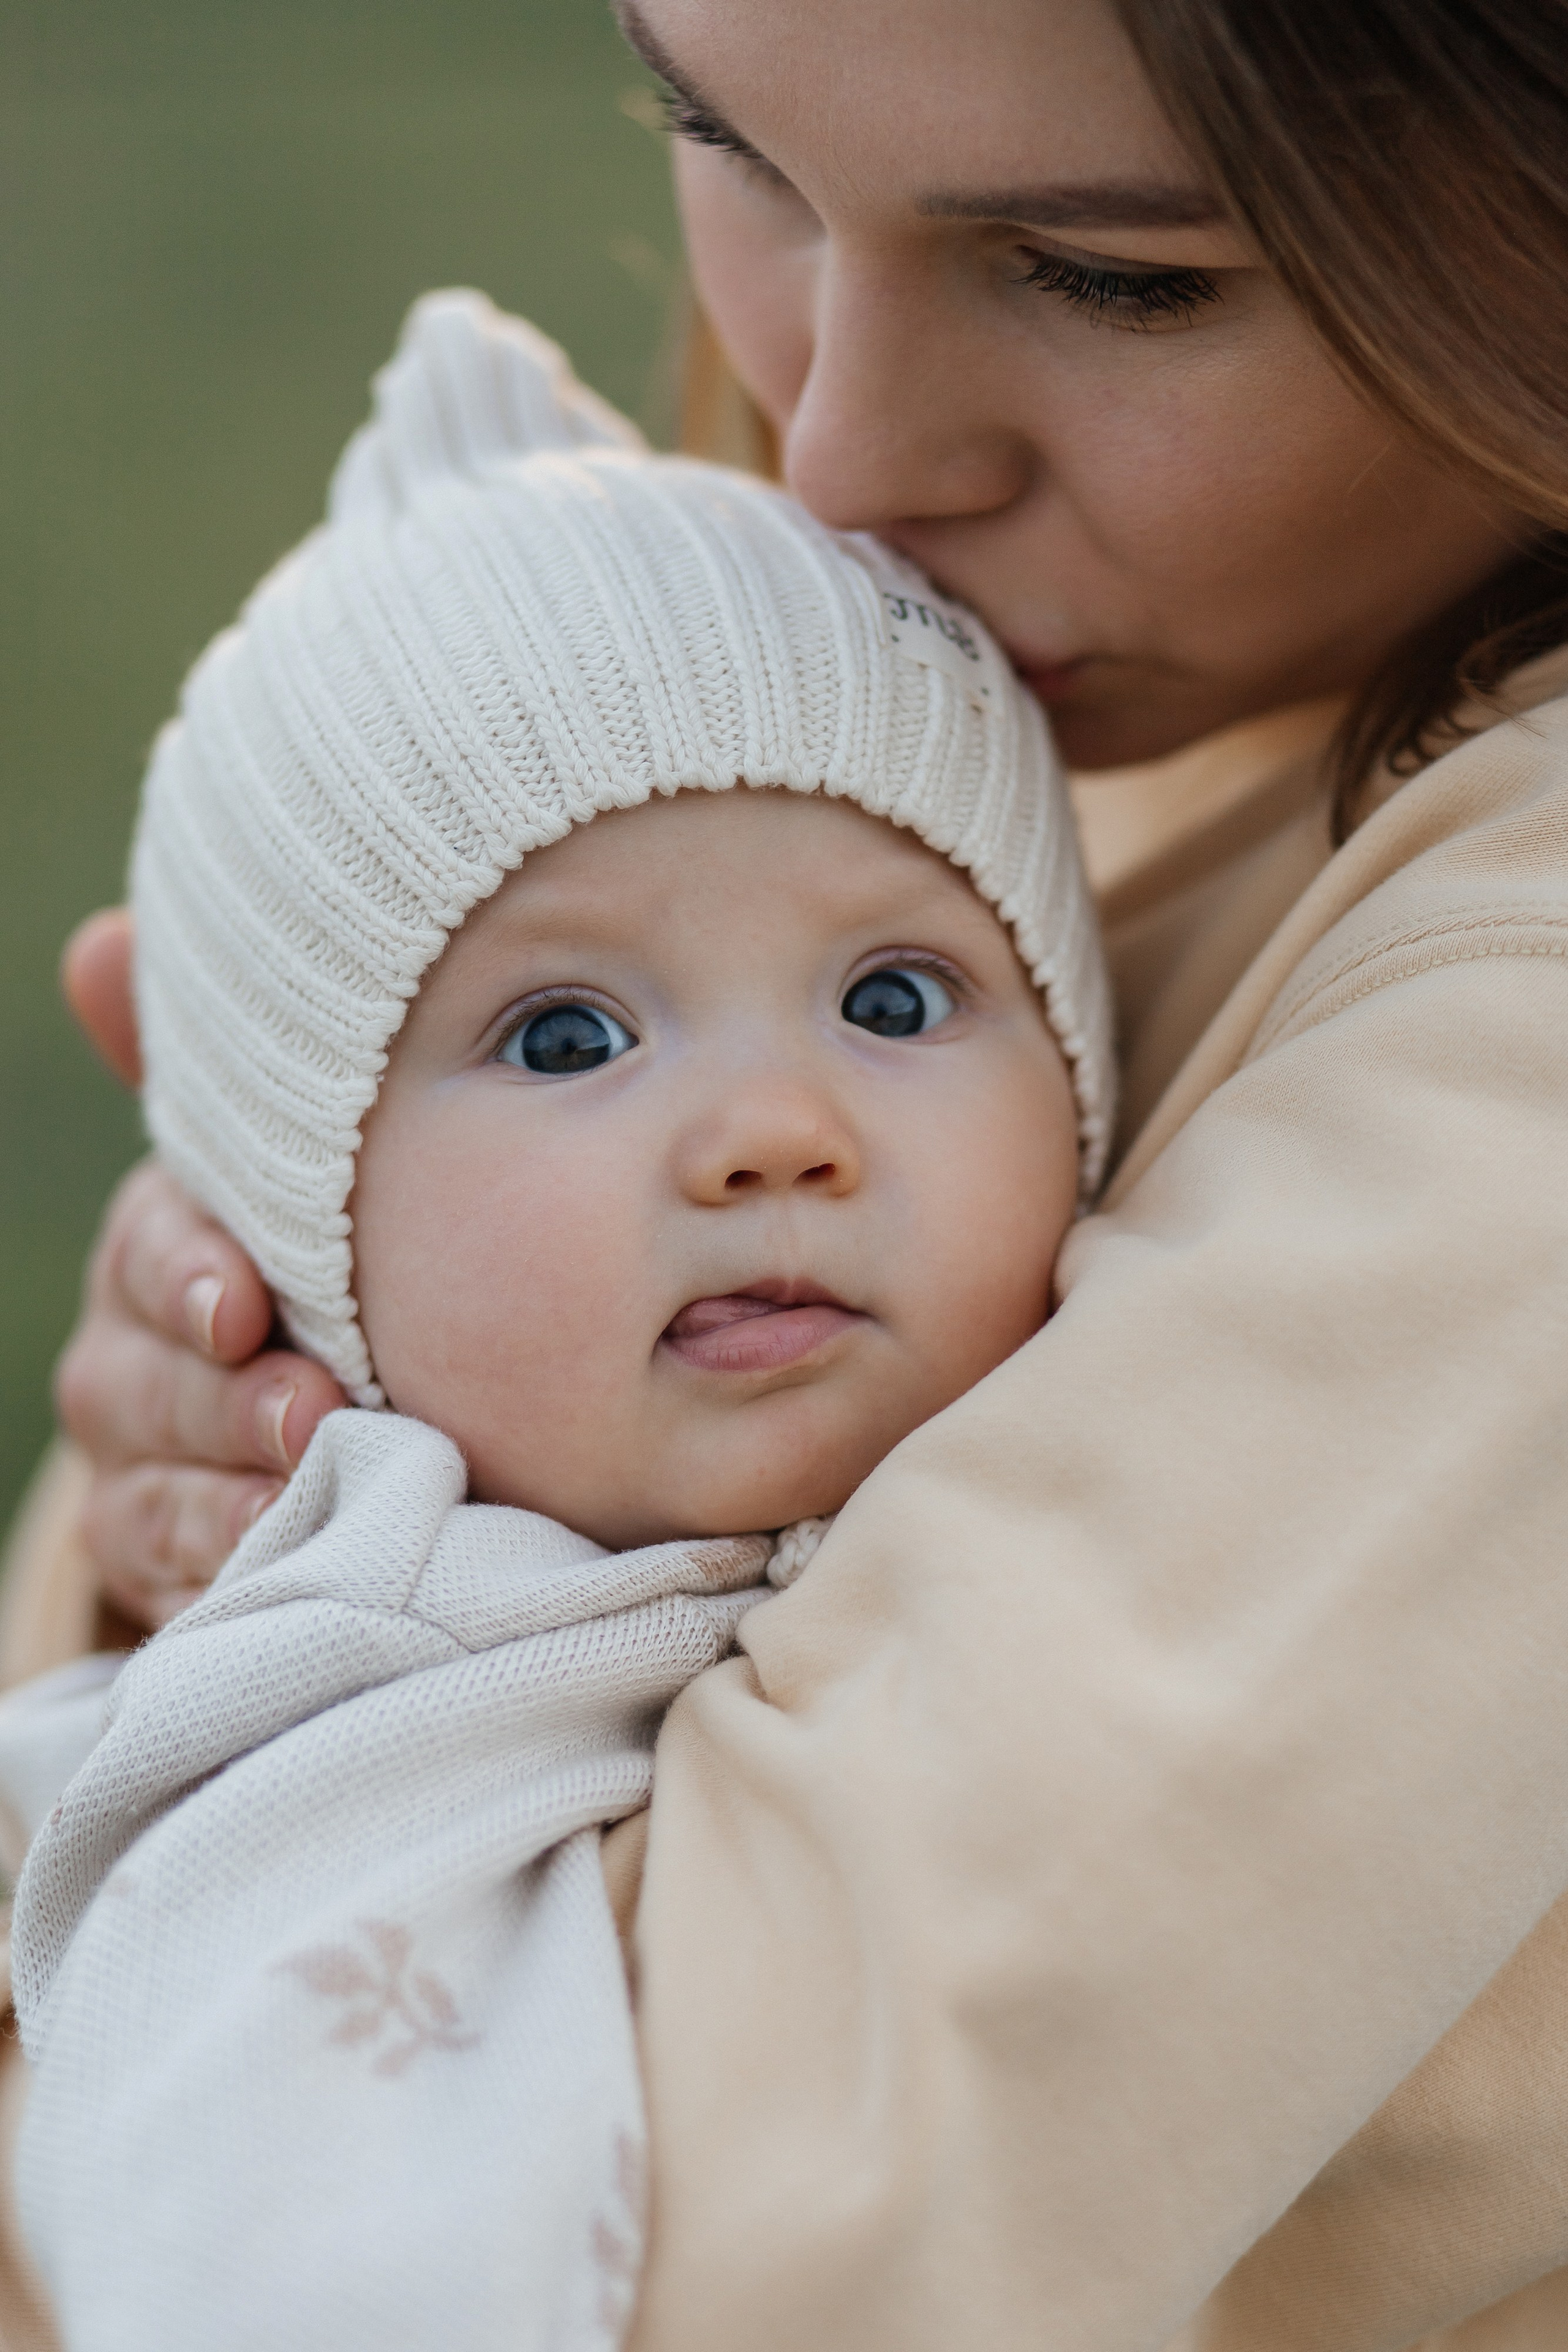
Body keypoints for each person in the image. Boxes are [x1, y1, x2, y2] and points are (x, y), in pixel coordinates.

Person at [7, 0, 1568, 2343]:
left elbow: (713, 2253)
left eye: (1118, 275)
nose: (835, 451)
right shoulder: (1057, 701)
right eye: (722, 137)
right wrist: (251, 1443)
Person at [4, 288, 1110, 2351]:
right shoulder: (327, 1754)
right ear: (300, 1214)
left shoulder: (1142, 1480)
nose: (775, 1136)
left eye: (895, 1000)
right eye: (568, 1033)